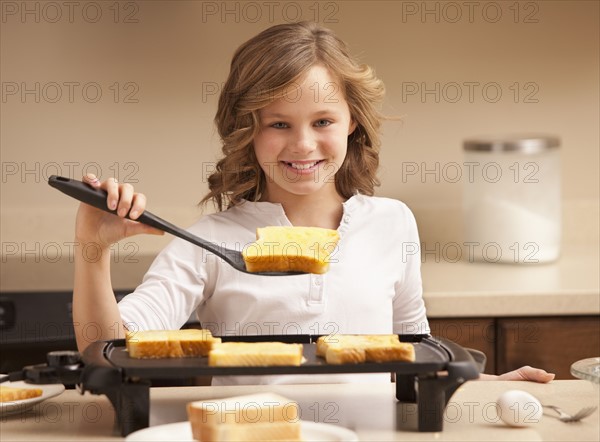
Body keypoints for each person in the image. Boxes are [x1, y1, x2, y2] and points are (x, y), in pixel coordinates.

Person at [72, 21, 554, 384]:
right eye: (279, 124)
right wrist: (92, 250)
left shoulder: (392, 223)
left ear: (352, 123)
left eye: (322, 121)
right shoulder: (209, 241)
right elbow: (107, 350)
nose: (303, 145)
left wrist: (485, 386)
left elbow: (413, 358)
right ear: (247, 130)